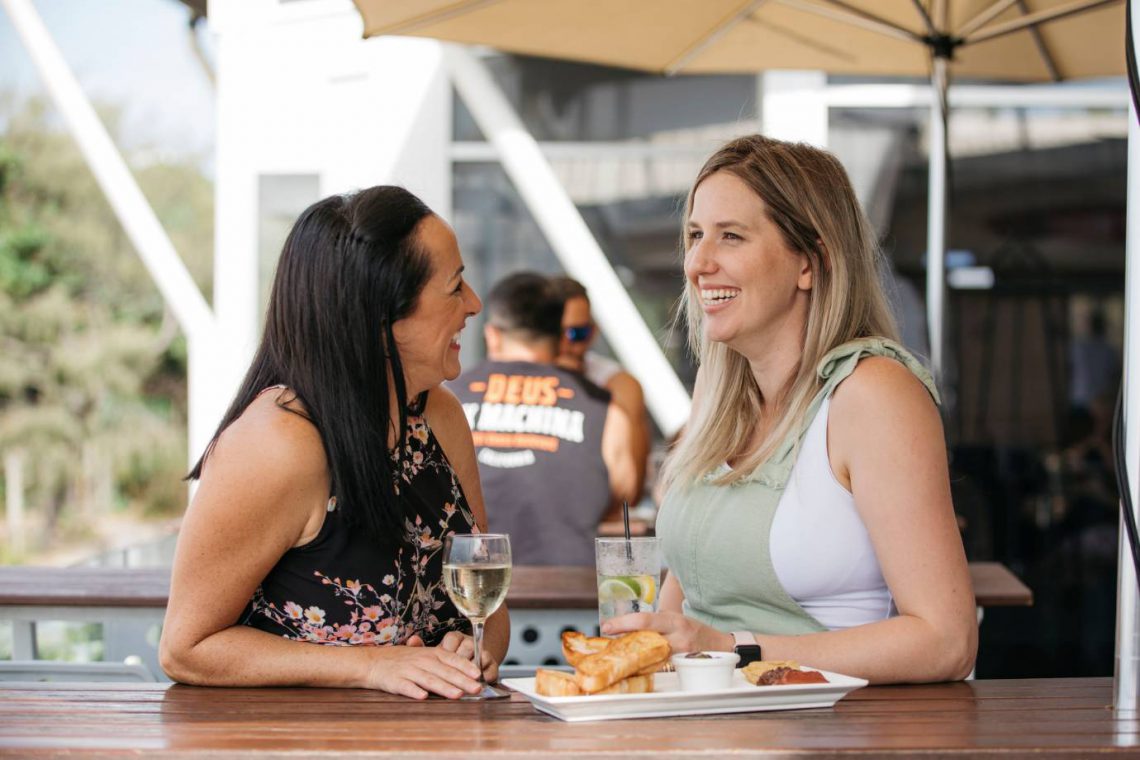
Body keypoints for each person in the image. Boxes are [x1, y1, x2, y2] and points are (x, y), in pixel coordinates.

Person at [604, 135, 977, 684]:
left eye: (730, 237)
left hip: (828, 733)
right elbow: (686, 602)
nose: (698, 263)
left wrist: (734, 648)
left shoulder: (873, 394)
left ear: (811, 262)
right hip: (700, 727)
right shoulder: (717, 386)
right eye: (694, 235)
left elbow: (947, 641)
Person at [159, 186, 508, 700]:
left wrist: (471, 648)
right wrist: (369, 667)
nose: (474, 304)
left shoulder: (440, 414)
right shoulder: (279, 444)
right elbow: (186, 648)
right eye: (455, 287)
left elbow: (490, 615)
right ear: (380, 315)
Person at [450, 272, 638, 565]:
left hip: (472, 587)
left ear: (493, 336)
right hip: (570, 591)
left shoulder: (450, 397)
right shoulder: (603, 403)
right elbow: (624, 491)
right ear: (560, 337)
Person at [553, 276, 650, 502]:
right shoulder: (517, 378)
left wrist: (573, 383)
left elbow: (628, 491)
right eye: (558, 333)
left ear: (593, 332)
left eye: (577, 333)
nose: (567, 344)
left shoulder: (617, 383)